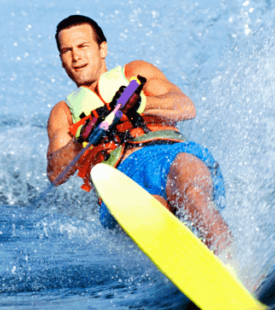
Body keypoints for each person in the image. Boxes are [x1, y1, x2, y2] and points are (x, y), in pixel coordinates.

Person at [45, 15, 233, 255]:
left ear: (103, 48)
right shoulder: (64, 113)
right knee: (154, 210)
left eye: (83, 46)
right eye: (66, 51)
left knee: (192, 189)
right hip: (121, 180)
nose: (76, 56)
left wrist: (141, 104)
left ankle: (238, 270)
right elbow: (55, 174)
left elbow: (186, 107)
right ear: (61, 60)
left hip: (171, 153)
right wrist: (80, 140)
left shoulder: (135, 73)